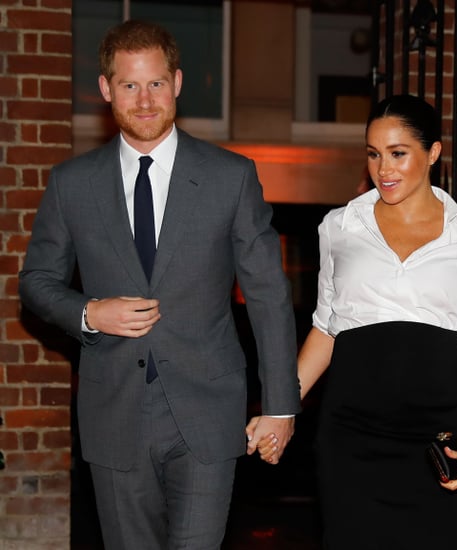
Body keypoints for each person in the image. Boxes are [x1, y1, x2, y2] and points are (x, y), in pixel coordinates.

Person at [19, 19, 300, 550]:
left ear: (177, 82)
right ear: (106, 89)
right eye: (129, 85)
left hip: (209, 412)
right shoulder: (72, 184)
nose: (144, 100)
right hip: (114, 414)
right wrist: (89, 314)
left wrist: (281, 405)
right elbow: (36, 282)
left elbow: (268, 295)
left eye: (155, 83)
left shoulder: (230, 177)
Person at [251, 94, 457, 549]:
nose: (383, 169)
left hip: (439, 436)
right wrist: (279, 407)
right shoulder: (339, 226)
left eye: (398, 153)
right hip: (352, 434)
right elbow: (327, 327)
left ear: (433, 153)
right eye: (373, 154)